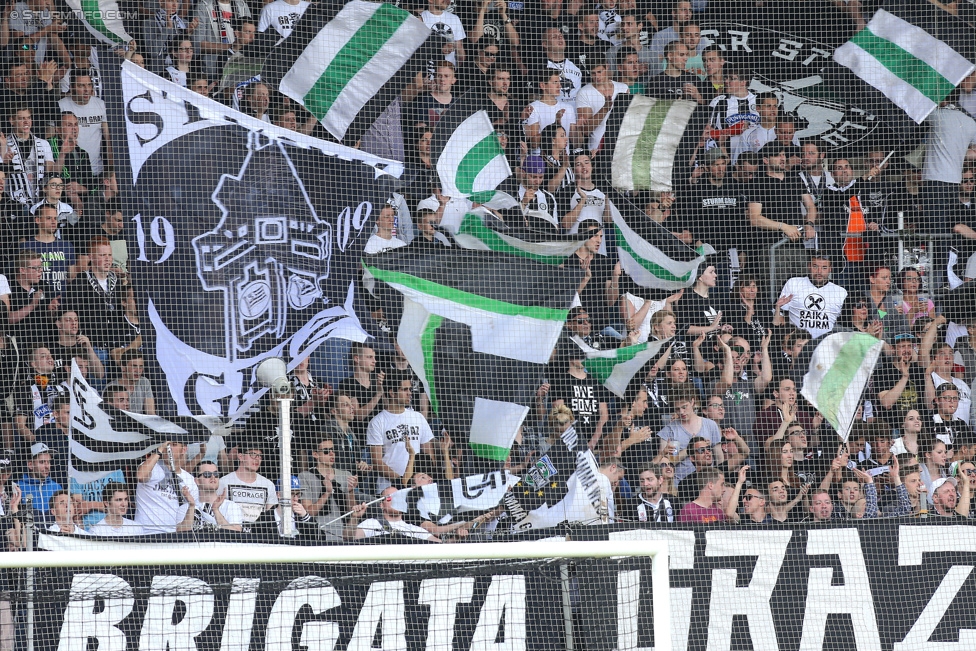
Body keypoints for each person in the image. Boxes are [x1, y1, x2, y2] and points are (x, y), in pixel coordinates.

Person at [366, 372, 435, 492]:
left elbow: (428, 454)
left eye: (410, 389)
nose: (409, 393)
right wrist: (402, 481)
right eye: (404, 389)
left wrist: (419, 480)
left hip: (418, 487)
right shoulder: (377, 422)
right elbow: (376, 461)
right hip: (389, 487)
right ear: (392, 392)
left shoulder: (418, 417)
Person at [298, 434, 358, 541]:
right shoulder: (305, 476)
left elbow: (352, 511)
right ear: (315, 454)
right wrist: (327, 493)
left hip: (343, 532)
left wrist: (351, 490)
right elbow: (308, 512)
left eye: (333, 450)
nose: (331, 454)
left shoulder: (345, 475)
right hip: (318, 533)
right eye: (326, 451)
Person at [773, 255, 848, 339]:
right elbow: (779, 317)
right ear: (809, 266)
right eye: (815, 266)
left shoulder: (840, 292)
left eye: (824, 267)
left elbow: (845, 323)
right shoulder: (793, 283)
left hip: (827, 345)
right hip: (798, 344)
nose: (819, 272)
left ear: (830, 269)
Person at [134, 441, 198, 534]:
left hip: (173, 536)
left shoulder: (190, 480)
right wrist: (159, 450)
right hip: (145, 534)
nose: (169, 448)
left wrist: (191, 504)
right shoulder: (151, 467)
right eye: (167, 445)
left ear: (183, 449)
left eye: (174, 444)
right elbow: (141, 476)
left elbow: (189, 519)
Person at [57, 71, 110, 177]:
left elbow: (108, 139)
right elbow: (51, 139)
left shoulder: (101, 105)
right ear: (71, 87)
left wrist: (110, 170)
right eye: (81, 85)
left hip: (97, 170)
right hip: (69, 170)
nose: (87, 90)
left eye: (89, 85)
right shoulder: (61, 105)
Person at [217, 441, 278, 527]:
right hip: (232, 533)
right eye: (252, 454)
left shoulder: (268, 484)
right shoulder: (224, 482)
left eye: (259, 455)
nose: (257, 458)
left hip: (260, 533)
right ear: (241, 456)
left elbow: (271, 513)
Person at [346, 486, 439, 541]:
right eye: (390, 498)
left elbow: (439, 544)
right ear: (381, 505)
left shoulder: (414, 529)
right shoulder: (370, 523)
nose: (395, 501)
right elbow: (348, 538)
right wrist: (354, 518)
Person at [177, 461, 244, 532]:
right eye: (207, 474)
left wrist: (216, 510)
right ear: (197, 481)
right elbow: (181, 534)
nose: (213, 477)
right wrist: (191, 507)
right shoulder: (185, 508)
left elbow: (237, 534)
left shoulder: (232, 506)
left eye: (216, 474)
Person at [104, 350, 155, 415]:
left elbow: (150, 413)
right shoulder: (110, 387)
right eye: (134, 366)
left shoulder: (144, 382)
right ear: (123, 368)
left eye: (141, 366)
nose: (138, 371)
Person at [17, 442, 60, 517]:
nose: (47, 466)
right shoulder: (18, 487)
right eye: (42, 462)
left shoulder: (56, 487)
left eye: (48, 462)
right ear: (30, 465)